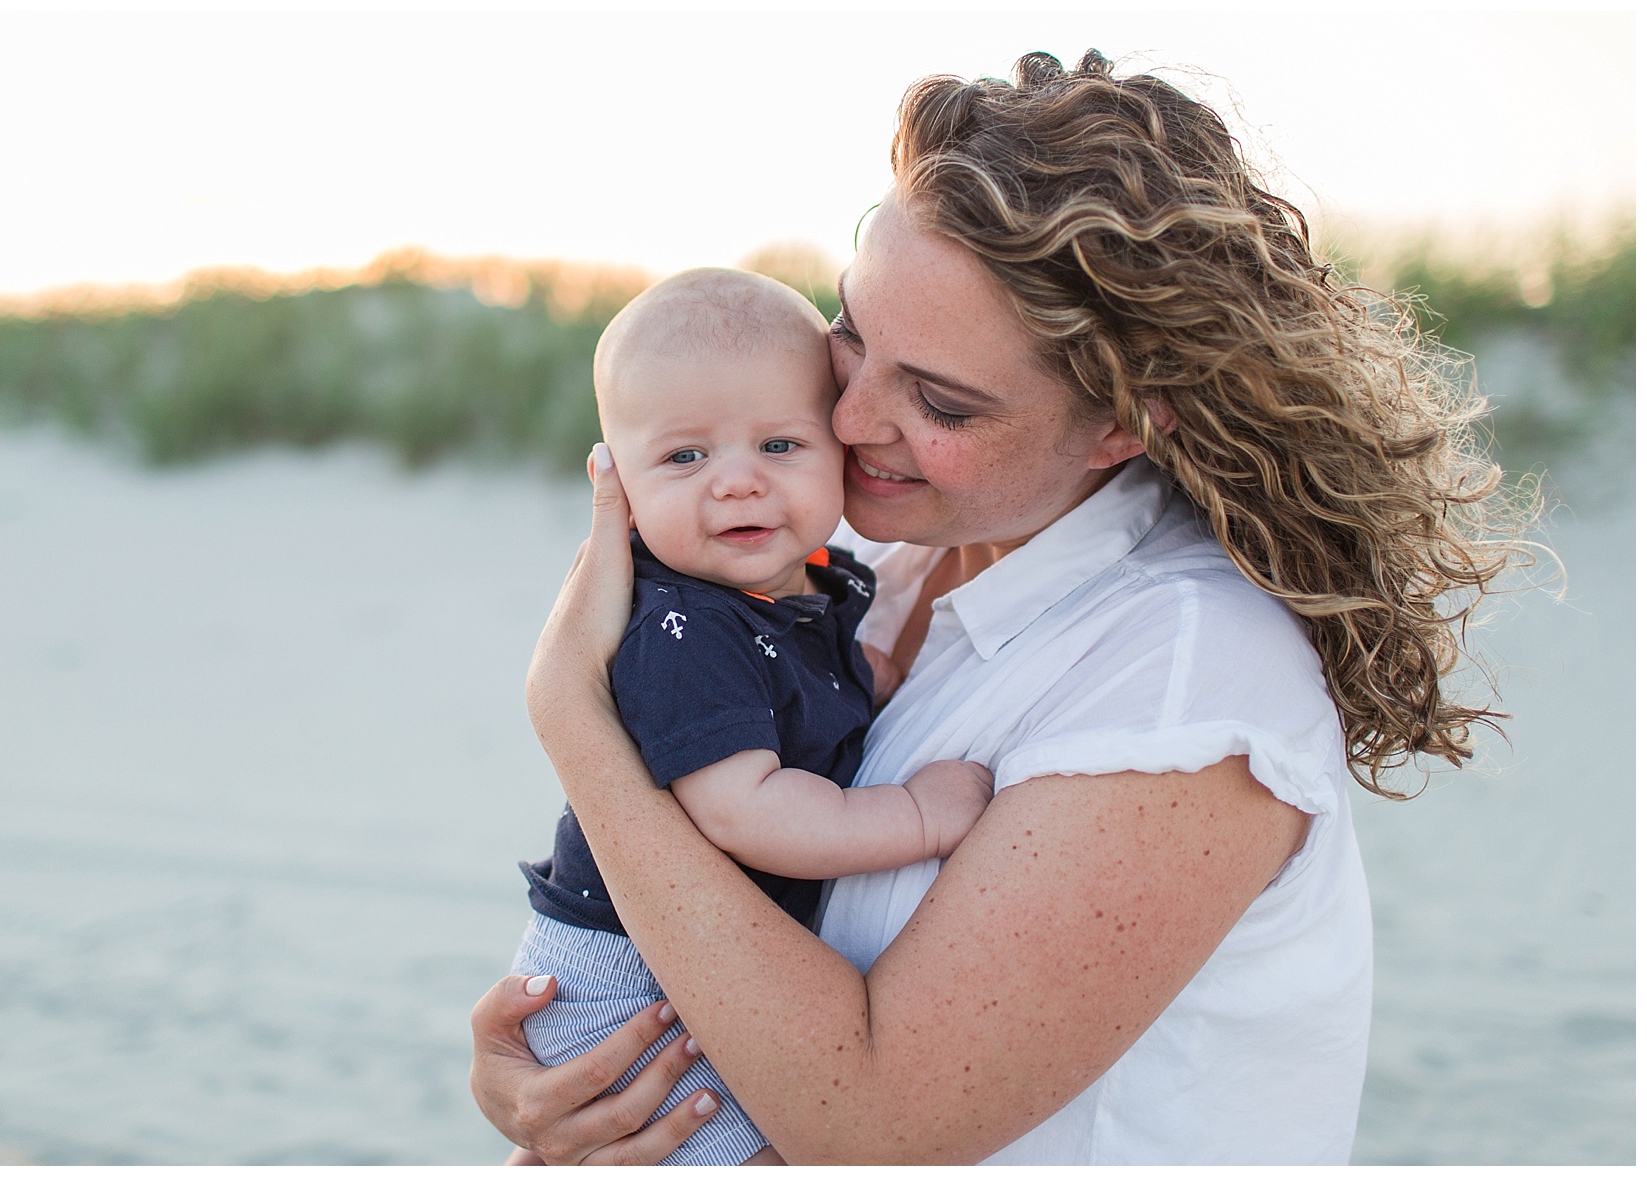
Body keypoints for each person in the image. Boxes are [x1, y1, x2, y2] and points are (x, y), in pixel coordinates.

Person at [472, 50, 1527, 1164]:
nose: (848, 415)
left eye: (937, 399)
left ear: (1126, 424)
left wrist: (570, 718)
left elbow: (876, 1121)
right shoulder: (887, 564)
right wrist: (568, 1075)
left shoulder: (1183, 681)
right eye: (854, 328)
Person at [510, 267, 993, 1165]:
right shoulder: (684, 627)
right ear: (615, 481)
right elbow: (747, 808)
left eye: (777, 445)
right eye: (684, 457)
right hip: (627, 983)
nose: (735, 484)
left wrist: (871, 679)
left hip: (700, 964)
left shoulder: (814, 579)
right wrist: (915, 815)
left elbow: (823, 674)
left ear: (836, 444)